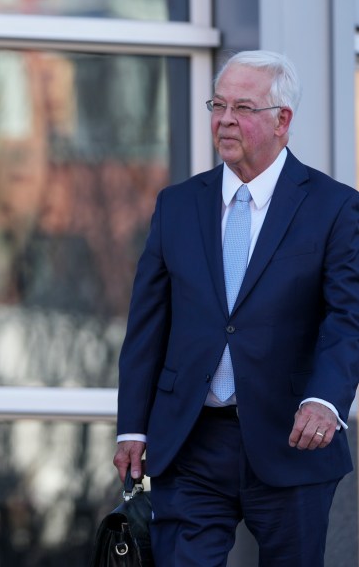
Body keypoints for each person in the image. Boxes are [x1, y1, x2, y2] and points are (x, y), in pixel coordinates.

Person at [113, 50, 359, 566]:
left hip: (291, 438)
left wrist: (327, 401)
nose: (224, 119)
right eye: (217, 105)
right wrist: (133, 425)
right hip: (192, 439)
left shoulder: (335, 207)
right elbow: (148, 324)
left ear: (281, 120)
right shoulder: (177, 204)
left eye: (242, 108)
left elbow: (348, 316)